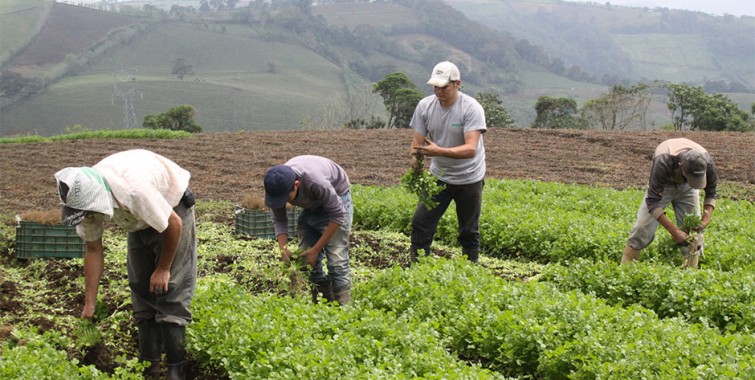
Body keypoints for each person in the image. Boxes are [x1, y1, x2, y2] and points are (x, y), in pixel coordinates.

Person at [54, 149, 196, 380]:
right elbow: (93, 249)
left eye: (88, 212)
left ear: (96, 201)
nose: (87, 215)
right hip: (136, 220)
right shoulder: (83, 202)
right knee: (140, 285)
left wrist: (162, 269)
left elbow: (174, 225)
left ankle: (175, 370)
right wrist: (89, 304)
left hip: (171, 209)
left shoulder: (133, 192)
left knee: (170, 289)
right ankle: (149, 366)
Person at [408, 60, 487, 263]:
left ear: (457, 84)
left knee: (469, 231)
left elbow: (470, 149)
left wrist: (437, 151)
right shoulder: (425, 106)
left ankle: (470, 271)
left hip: (469, 178)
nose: (438, 91)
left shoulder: (470, 108)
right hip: (439, 176)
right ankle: (418, 268)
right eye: (435, 86)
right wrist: (416, 164)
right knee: (421, 224)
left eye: (443, 87)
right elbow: (417, 142)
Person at [263, 155, 353, 305]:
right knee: (306, 260)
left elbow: (338, 216)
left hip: (337, 197)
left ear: (296, 185)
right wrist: (283, 250)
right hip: (312, 201)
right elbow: (279, 219)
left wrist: (316, 249)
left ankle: (343, 310)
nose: (283, 202)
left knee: (337, 262)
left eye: (286, 197)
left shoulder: (316, 182)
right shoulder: (276, 186)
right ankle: (322, 302)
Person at [622, 138, 718, 269]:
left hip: (688, 189)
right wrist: (674, 232)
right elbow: (652, 202)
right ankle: (625, 269)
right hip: (664, 185)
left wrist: (706, 219)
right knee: (641, 228)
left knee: (694, 236)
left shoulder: (706, 162)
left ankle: (690, 274)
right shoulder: (663, 161)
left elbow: (711, 193)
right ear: (681, 167)